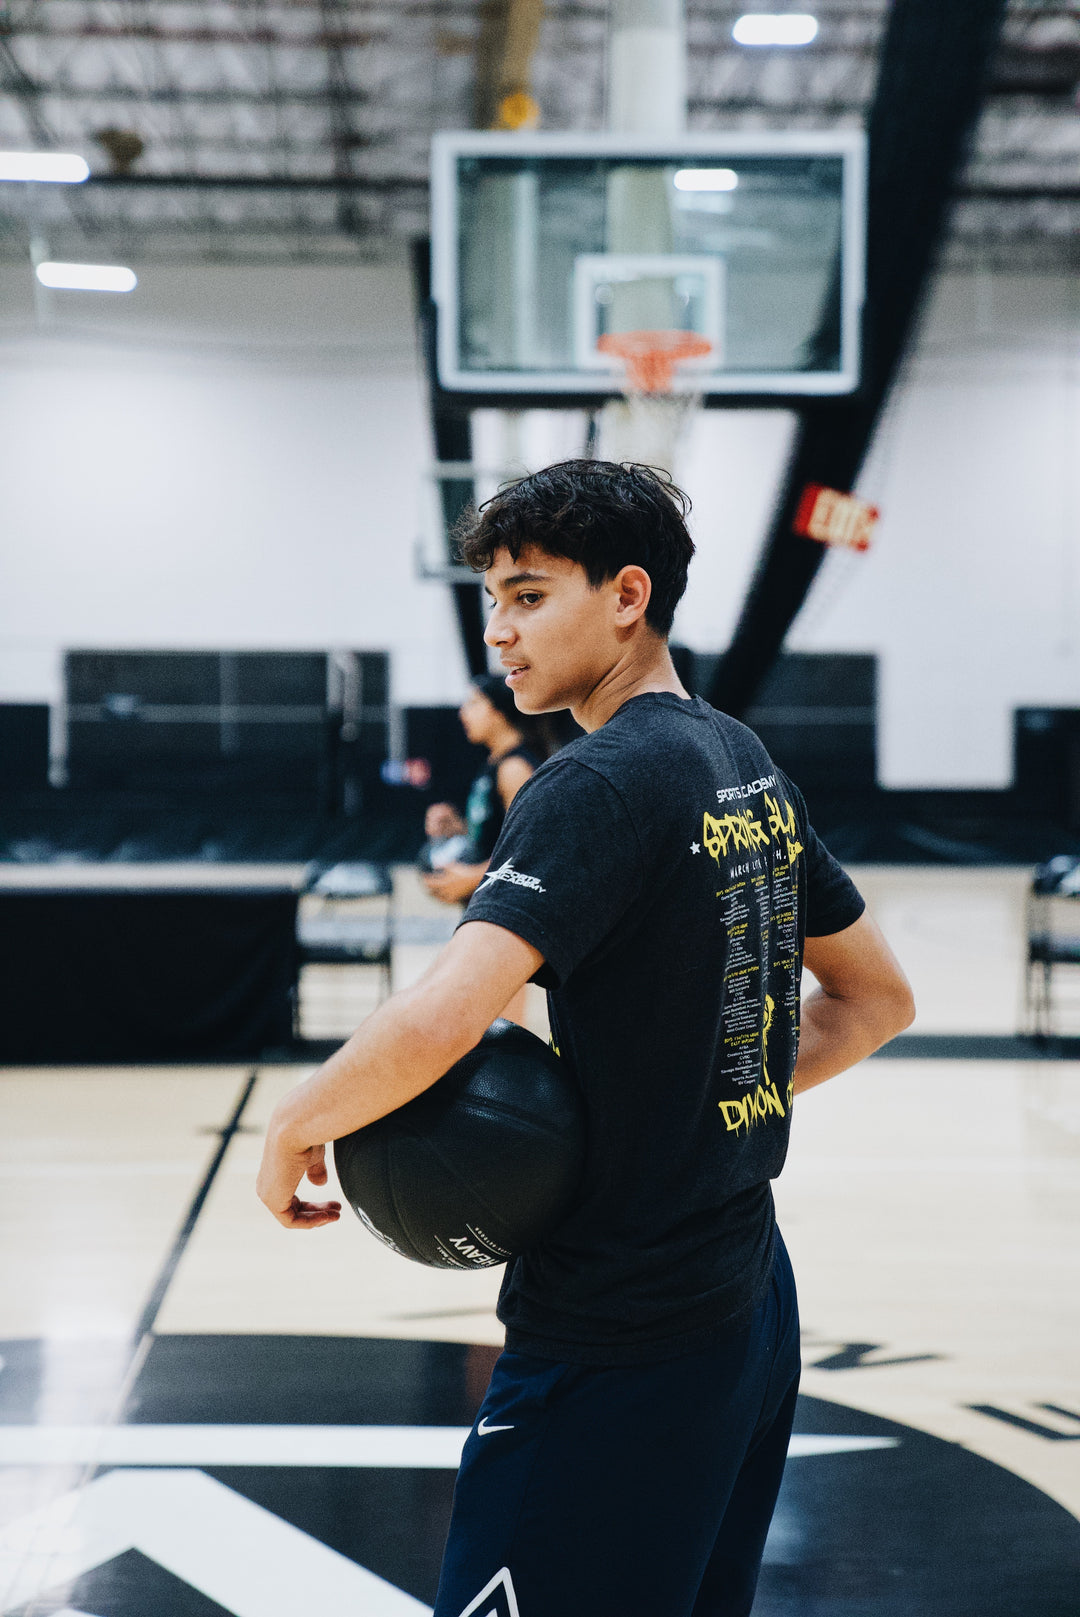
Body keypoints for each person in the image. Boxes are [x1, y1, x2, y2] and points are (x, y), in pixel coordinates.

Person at [256, 460, 915, 1617]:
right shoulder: (738, 758)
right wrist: (717, 1091)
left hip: (622, 1326)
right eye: (492, 600)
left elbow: (444, 1016)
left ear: (625, 595)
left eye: (527, 595)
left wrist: (293, 1124)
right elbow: (876, 1001)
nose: (499, 632)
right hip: (745, 1301)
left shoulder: (597, 783)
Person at [421, 671, 546, 910]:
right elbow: (500, 834)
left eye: (474, 703)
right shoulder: (493, 764)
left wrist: (473, 876)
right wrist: (459, 828)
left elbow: (529, 848)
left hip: (508, 907)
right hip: (489, 902)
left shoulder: (514, 768)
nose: (463, 712)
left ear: (499, 711)